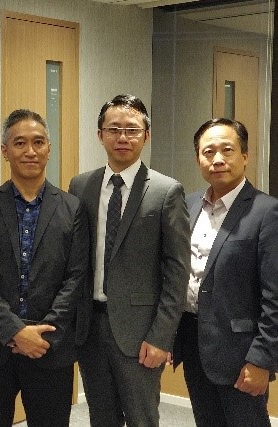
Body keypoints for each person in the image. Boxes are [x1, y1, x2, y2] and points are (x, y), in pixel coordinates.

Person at [68, 94, 191, 426]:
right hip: (90, 327)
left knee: (142, 419)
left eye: (132, 130)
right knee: (101, 417)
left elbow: (177, 271)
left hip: (141, 332)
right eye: (114, 129)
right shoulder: (81, 185)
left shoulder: (166, 191)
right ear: (100, 134)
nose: (122, 137)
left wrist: (161, 336)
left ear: (146, 135)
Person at [0, 109, 90, 427]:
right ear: (5, 151)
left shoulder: (72, 208)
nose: (30, 151)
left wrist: (45, 333)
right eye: (19, 143)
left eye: (38, 142)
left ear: (49, 149)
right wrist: (15, 331)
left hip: (51, 348)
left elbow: (75, 278)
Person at [172, 118, 278, 427]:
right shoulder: (189, 204)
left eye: (227, 150)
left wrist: (262, 359)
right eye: (208, 152)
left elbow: (274, 296)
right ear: (198, 159)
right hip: (194, 344)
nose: (217, 159)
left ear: (245, 156)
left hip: (241, 353)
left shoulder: (267, 212)